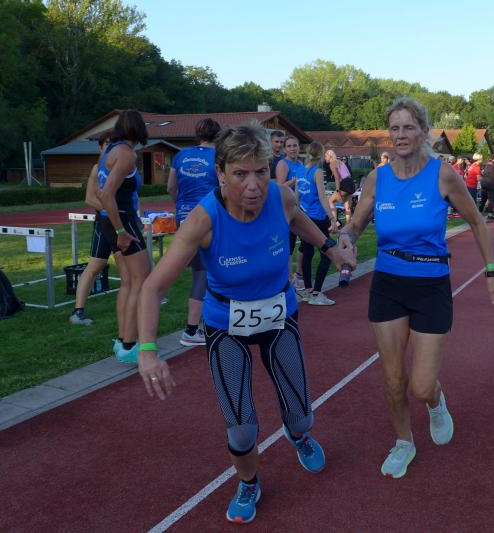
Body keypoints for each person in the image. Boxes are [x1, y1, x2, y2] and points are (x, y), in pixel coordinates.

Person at [135, 123, 356, 524]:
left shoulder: (280, 196)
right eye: (240, 174)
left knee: (301, 416)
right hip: (226, 325)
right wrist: (148, 350)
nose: (253, 185)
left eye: (260, 171)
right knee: (241, 429)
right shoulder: (203, 219)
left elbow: (298, 219)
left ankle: (298, 435)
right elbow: (152, 287)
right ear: (220, 173)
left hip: (278, 316)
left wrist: (330, 249)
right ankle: (249, 481)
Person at [338, 97, 494, 479]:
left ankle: (435, 401)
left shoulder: (442, 175)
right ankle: (404, 442)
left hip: (430, 285)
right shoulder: (376, 179)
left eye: (408, 127)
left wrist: (491, 271)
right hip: (388, 283)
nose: (400, 134)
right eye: (394, 128)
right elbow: (356, 224)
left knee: (420, 385)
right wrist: (346, 238)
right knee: (392, 378)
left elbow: (477, 221)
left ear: (423, 132)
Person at [95, 110, 150, 363]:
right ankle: (129, 344)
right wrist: (121, 231)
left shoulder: (109, 150)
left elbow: (100, 191)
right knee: (141, 281)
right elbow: (106, 194)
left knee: (128, 281)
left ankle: (122, 340)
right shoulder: (127, 155)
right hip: (122, 221)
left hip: (108, 220)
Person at [167, 118, 221, 346]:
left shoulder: (180, 155)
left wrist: (181, 206)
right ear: (217, 136)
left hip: (184, 216)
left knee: (199, 270)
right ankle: (192, 329)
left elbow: (171, 187)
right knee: (205, 272)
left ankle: (204, 322)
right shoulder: (218, 157)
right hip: (208, 217)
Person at [70, 132, 120, 327]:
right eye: (107, 144)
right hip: (105, 223)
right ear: (101, 147)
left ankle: (145, 300)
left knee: (131, 266)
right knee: (94, 267)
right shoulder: (97, 168)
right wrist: (110, 211)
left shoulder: (122, 165)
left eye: (113, 144)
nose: (110, 147)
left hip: (120, 222)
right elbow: (89, 199)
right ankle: (78, 311)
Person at [298, 142, 338, 305]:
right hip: (318, 218)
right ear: (321, 155)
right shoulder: (318, 172)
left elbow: (296, 196)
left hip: (304, 217)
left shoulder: (300, 170)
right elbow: (322, 197)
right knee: (327, 254)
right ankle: (316, 292)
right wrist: (332, 217)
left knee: (307, 253)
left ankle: (308, 291)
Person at [275, 136, 304, 289]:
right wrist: (294, 181)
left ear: (299, 147)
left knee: (305, 241)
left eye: (295, 145)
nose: (292, 148)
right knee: (288, 243)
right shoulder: (283, 164)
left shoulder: (300, 164)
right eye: (289, 146)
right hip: (285, 208)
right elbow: (279, 187)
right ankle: (289, 277)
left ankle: (298, 274)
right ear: (285, 149)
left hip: (299, 207)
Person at [327, 149, 356, 226]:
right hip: (351, 183)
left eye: (326, 156)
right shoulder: (340, 162)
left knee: (330, 201)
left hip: (345, 183)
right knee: (347, 207)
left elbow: (337, 178)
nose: (325, 157)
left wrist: (337, 190)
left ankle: (335, 223)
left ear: (329, 156)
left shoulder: (332, 163)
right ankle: (348, 226)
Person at [479, 153, 494, 219]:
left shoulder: (488, 164)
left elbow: (482, 172)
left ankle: (479, 212)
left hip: (484, 182)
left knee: (483, 199)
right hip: (491, 183)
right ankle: (490, 214)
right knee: (491, 199)